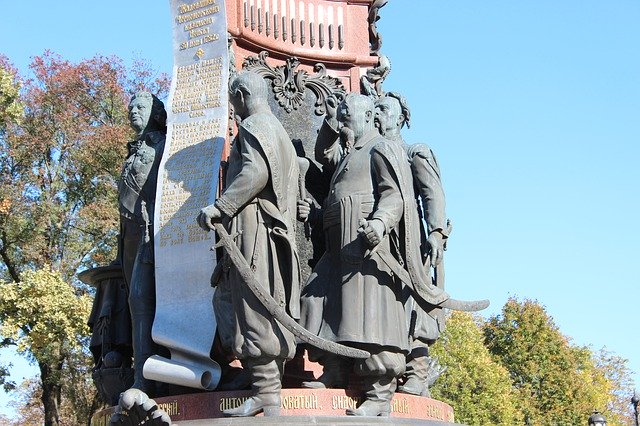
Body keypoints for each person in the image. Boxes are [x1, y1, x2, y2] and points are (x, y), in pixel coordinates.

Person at [298, 93, 448, 416]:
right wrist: (331, 117)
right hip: (339, 246)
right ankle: (334, 369)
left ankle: (379, 393)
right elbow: (324, 152)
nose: (342, 123)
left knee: (372, 317)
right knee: (317, 303)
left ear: (367, 118)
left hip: (368, 247)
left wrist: (380, 225)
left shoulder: (382, 147)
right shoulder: (350, 150)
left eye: (347, 116)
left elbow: (395, 196)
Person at [197, 71, 300, 417]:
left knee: (251, 308)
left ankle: (266, 392)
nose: (233, 109)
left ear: (241, 95)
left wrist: (220, 206)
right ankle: (262, 386)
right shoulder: (280, 132)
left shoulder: (254, 127)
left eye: (232, 101)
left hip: (252, 228)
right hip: (269, 231)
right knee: (238, 302)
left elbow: (254, 173)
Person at [375, 92, 449, 396]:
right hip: (380, 241)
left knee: (416, 304)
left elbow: (432, 193)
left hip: (409, 239)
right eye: (375, 108)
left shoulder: (413, 152)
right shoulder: (369, 151)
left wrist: (435, 233)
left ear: (401, 118)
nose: (378, 113)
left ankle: (417, 373)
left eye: (384, 109)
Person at [118, 91, 167, 395]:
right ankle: (146, 375)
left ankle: (146, 378)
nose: (133, 111)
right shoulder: (134, 150)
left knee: (142, 301)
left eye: (141, 107)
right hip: (131, 237)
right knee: (137, 303)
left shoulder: (161, 144)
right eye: (131, 107)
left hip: (155, 233)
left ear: (156, 113)